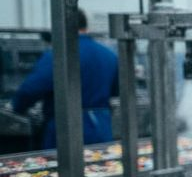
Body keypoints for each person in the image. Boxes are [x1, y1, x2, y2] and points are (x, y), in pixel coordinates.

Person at [11, 9, 119, 150]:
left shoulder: (58, 55)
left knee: (62, 169)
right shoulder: (109, 55)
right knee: (100, 166)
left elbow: (31, 89)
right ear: (85, 27)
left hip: (66, 126)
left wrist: (17, 107)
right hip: (101, 125)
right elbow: (116, 89)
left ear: (59, 26)